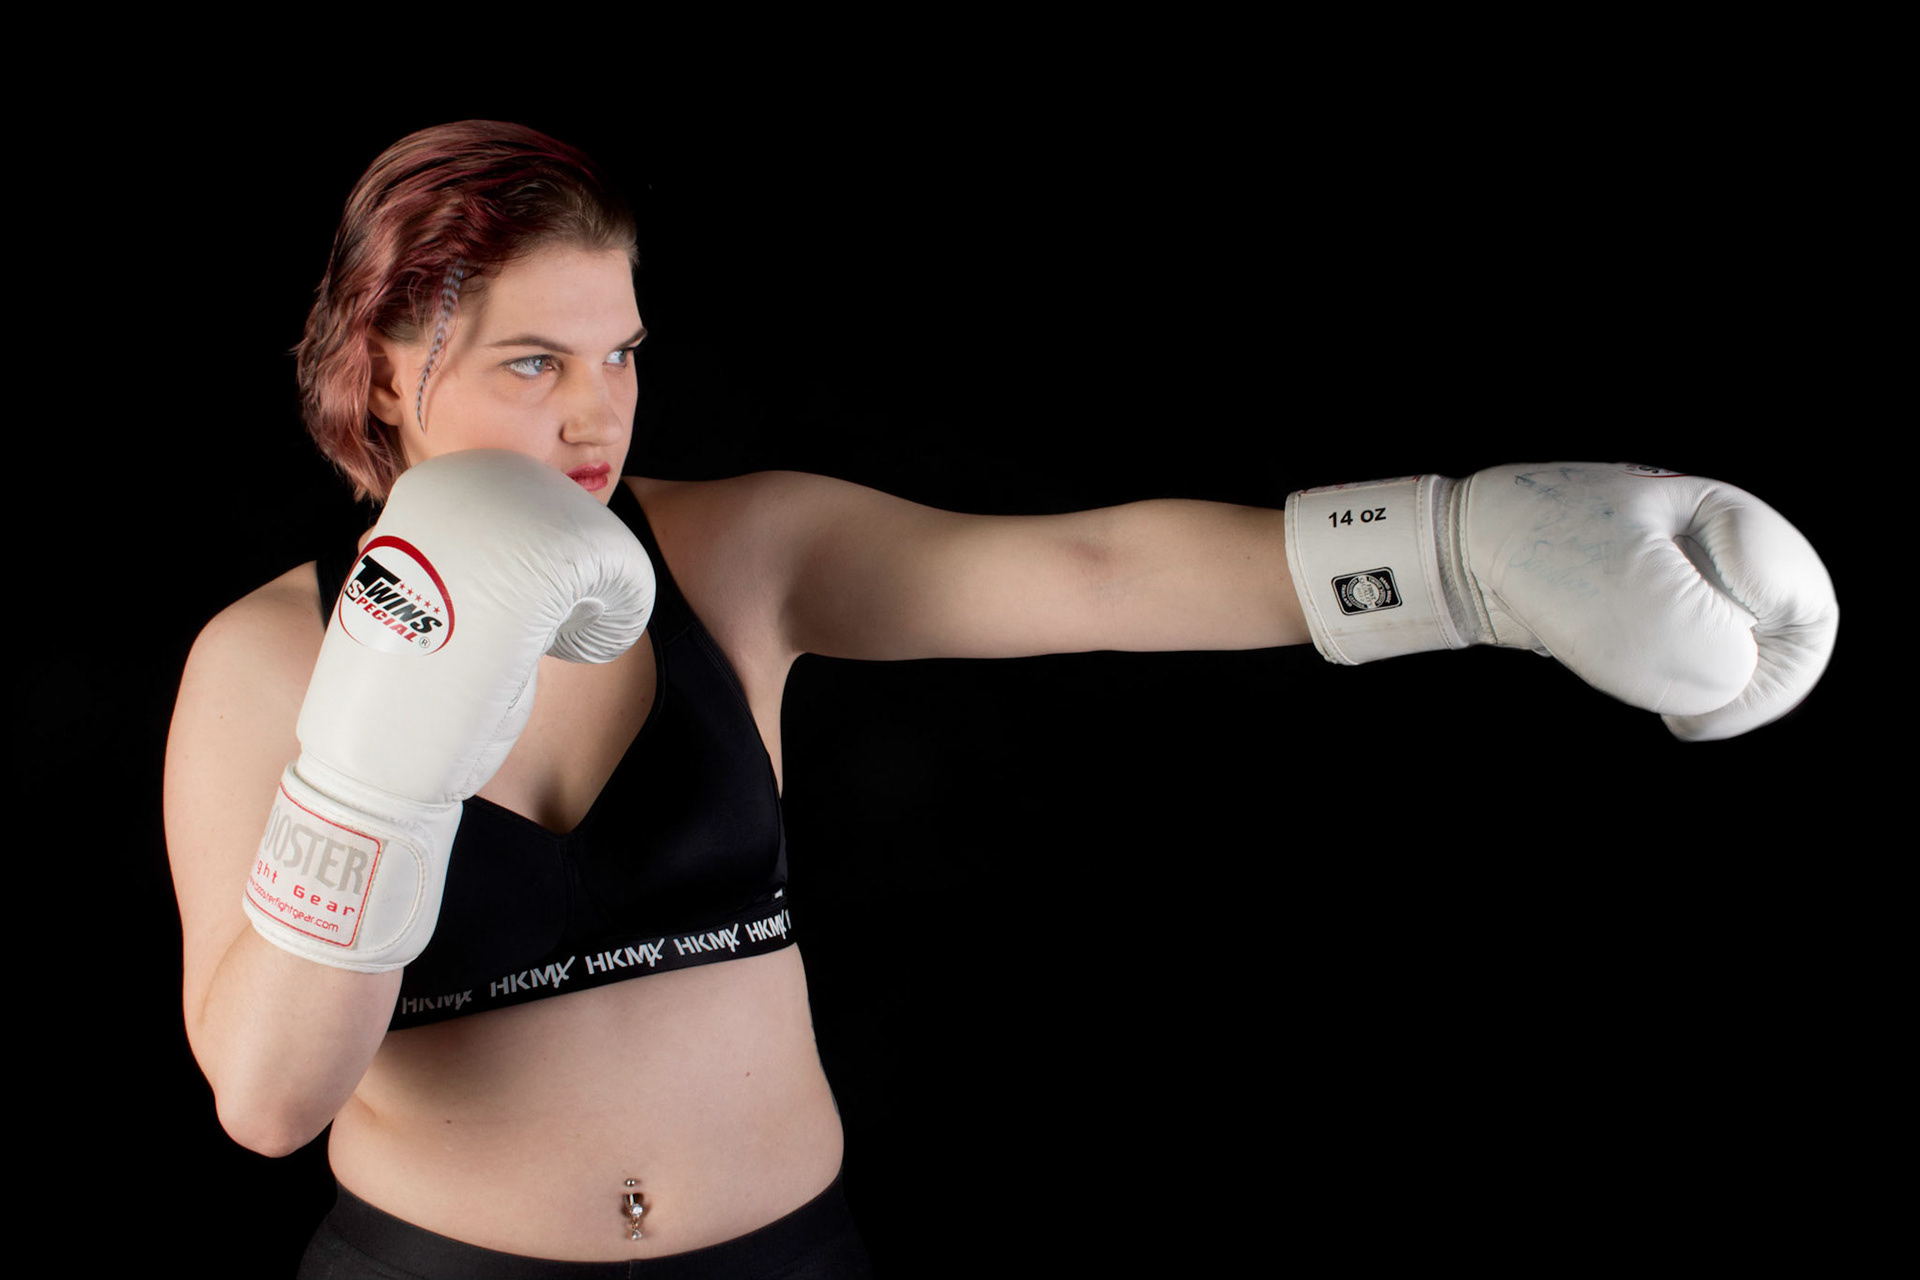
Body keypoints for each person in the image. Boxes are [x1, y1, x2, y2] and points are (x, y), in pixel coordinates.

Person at [164, 120, 1838, 1277]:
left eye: (622, 352)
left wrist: (1460, 554)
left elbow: (1087, 572)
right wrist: (381, 751)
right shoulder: (263, 659)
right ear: (389, 366)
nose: (600, 413)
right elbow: (270, 1101)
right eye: (537, 361)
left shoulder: (735, 554)